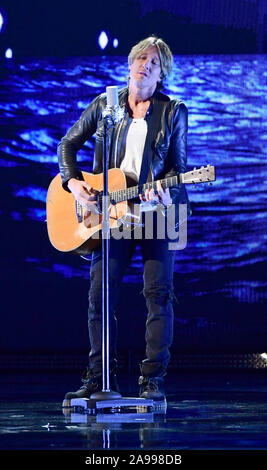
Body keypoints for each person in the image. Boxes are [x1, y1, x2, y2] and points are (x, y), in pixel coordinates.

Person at [58, 36, 190, 403]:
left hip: (156, 213)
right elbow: (66, 145)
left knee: (158, 295)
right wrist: (74, 183)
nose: (145, 65)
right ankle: (99, 377)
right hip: (109, 212)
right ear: (131, 63)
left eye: (154, 62)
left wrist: (168, 193)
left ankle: (152, 382)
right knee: (100, 294)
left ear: (162, 73)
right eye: (141, 58)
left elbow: (179, 172)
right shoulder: (106, 105)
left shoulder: (173, 111)